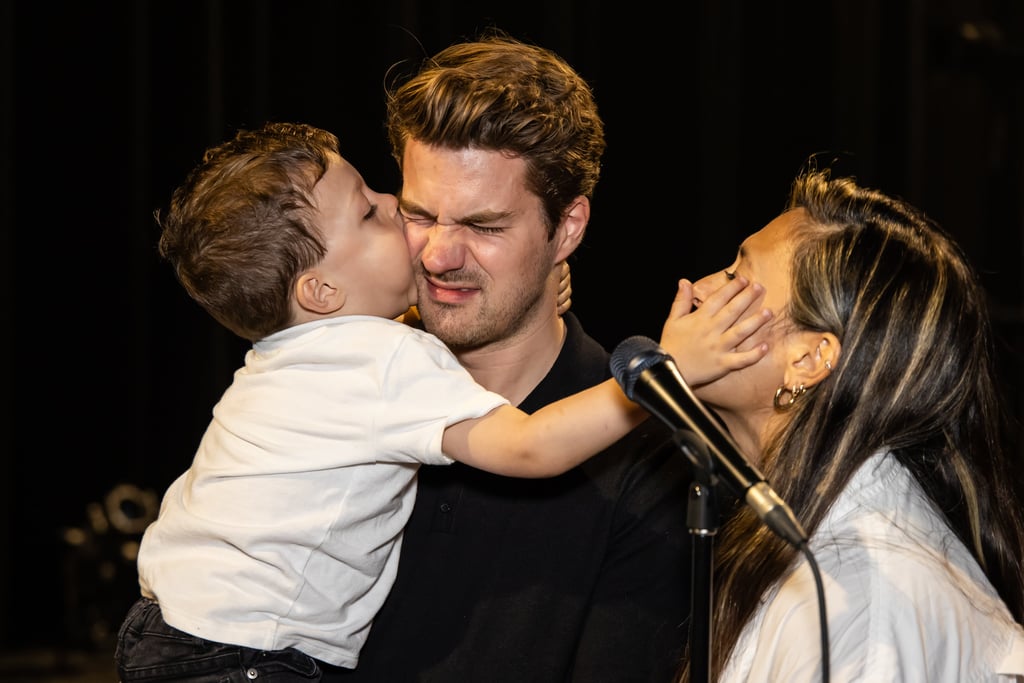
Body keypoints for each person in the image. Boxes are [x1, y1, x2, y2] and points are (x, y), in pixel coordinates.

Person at [113, 121, 770, 681]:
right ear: (318, 290)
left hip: (161, 625)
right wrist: (664, 372)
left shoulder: (303, 351)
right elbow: (531, 443)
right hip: (247, 655)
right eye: (388, 212)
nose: (404, 218)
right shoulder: (389, 362)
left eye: (485, 225)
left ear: (565, 230)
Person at [329, 32, 756, 682]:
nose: (439, 255)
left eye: (485, 226)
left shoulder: (652, 471)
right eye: (420, 214)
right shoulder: (341, 381)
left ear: (569, 227)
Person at [673, 166, 1024, 682]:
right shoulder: (824, 543)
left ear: (809, 360)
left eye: (734, 278)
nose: (699, 289)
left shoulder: (863, 604)